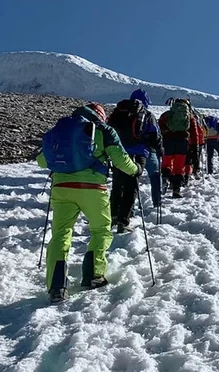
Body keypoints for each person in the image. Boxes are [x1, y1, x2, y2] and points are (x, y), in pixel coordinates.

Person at [37, 103, 141, 303]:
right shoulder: (103, 130)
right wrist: (135, 170)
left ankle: (57, 286)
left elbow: (42, 160)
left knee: (61, 234)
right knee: (101, 230)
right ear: (100, 115)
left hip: (62, 187)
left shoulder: (62, 128)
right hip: (92, 189)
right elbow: (120, 159)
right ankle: (93, 275)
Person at [107, 91, 161, 233]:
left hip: (118, 152)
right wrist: (160, 150)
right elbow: (155, 136)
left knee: (117, 185)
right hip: (138, 154)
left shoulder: (119, 111)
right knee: (132, 186)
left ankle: (113, 216)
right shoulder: (147, 115)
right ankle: (123, 221)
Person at [159, 98, 202, 198]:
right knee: (179, 167)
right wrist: (195, 147)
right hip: (182, 142)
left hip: (168, 141)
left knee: (167, 163)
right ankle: (176, 190)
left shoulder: (167, 114)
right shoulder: (190, 117)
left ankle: (165, 178)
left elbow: (159, 127)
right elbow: (194, 134)